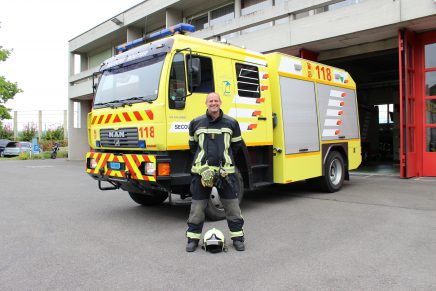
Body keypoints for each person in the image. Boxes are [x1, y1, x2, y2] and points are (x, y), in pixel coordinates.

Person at [185, 92, 245, 252]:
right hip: (201, 173)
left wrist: (225, 162)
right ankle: (192, 239)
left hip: (225, 173)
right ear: (206, 103)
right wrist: (203, 165)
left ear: (220, 102)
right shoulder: (196, 123)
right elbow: (193, 147)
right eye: (210, 101)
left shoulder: (231, 123)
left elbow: (237, 146)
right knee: (197, 208)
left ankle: (238, 238)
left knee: (232, 207)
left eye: (216, 100)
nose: (213, 103)